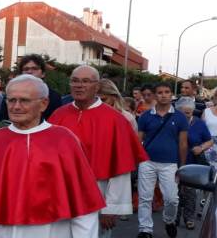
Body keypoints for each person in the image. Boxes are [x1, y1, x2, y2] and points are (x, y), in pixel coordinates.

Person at [0, 74, 106, 237]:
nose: (16, 106)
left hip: (50, 230)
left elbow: (82, 201)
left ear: (43, 104)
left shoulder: (64, 141)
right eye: (11, 100)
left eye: (24, 100)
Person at [49, 65, 148, 238]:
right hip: (60, 191)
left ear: (97, 87)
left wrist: (111, 207)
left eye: (86, 81)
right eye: (75, 81)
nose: (79, 85)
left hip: (97, 192)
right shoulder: (58, 115)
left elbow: (121, 168)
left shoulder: (115, 120)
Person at [136, 82, 188, 238]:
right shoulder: (146, 116)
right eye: (160, 92)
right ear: (154, 95)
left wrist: (182, 167)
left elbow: (183, 143)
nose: (163, 95)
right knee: (145, 197)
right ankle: (145, 229)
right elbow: (138, 140)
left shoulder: (180, 117)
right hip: (147, 161)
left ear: (171, 94)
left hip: (170, 164)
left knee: (172, 199)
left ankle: (169, 220)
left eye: (167, 92)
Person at [174, 97, 213, 230]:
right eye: (183, 113)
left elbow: (210, 141)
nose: (186, 115)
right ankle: (174, 217)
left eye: (189, 113)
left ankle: (189, 219)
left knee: (190, 192)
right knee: (174, 192)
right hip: (173, 161)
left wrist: (201, 148)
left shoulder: (199, 123)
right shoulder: (173, 122)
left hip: (192, 162)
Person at [18, 54, 63, 120]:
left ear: (43, 74)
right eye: (26, 69)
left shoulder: (54, 97)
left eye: (34, 68)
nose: (29, 72)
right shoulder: (11, 95)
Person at [202, 84, 217, 170]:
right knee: (208, 175)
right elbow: (201, 130)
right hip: (208, 147)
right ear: (215, 97)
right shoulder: (207, 111)